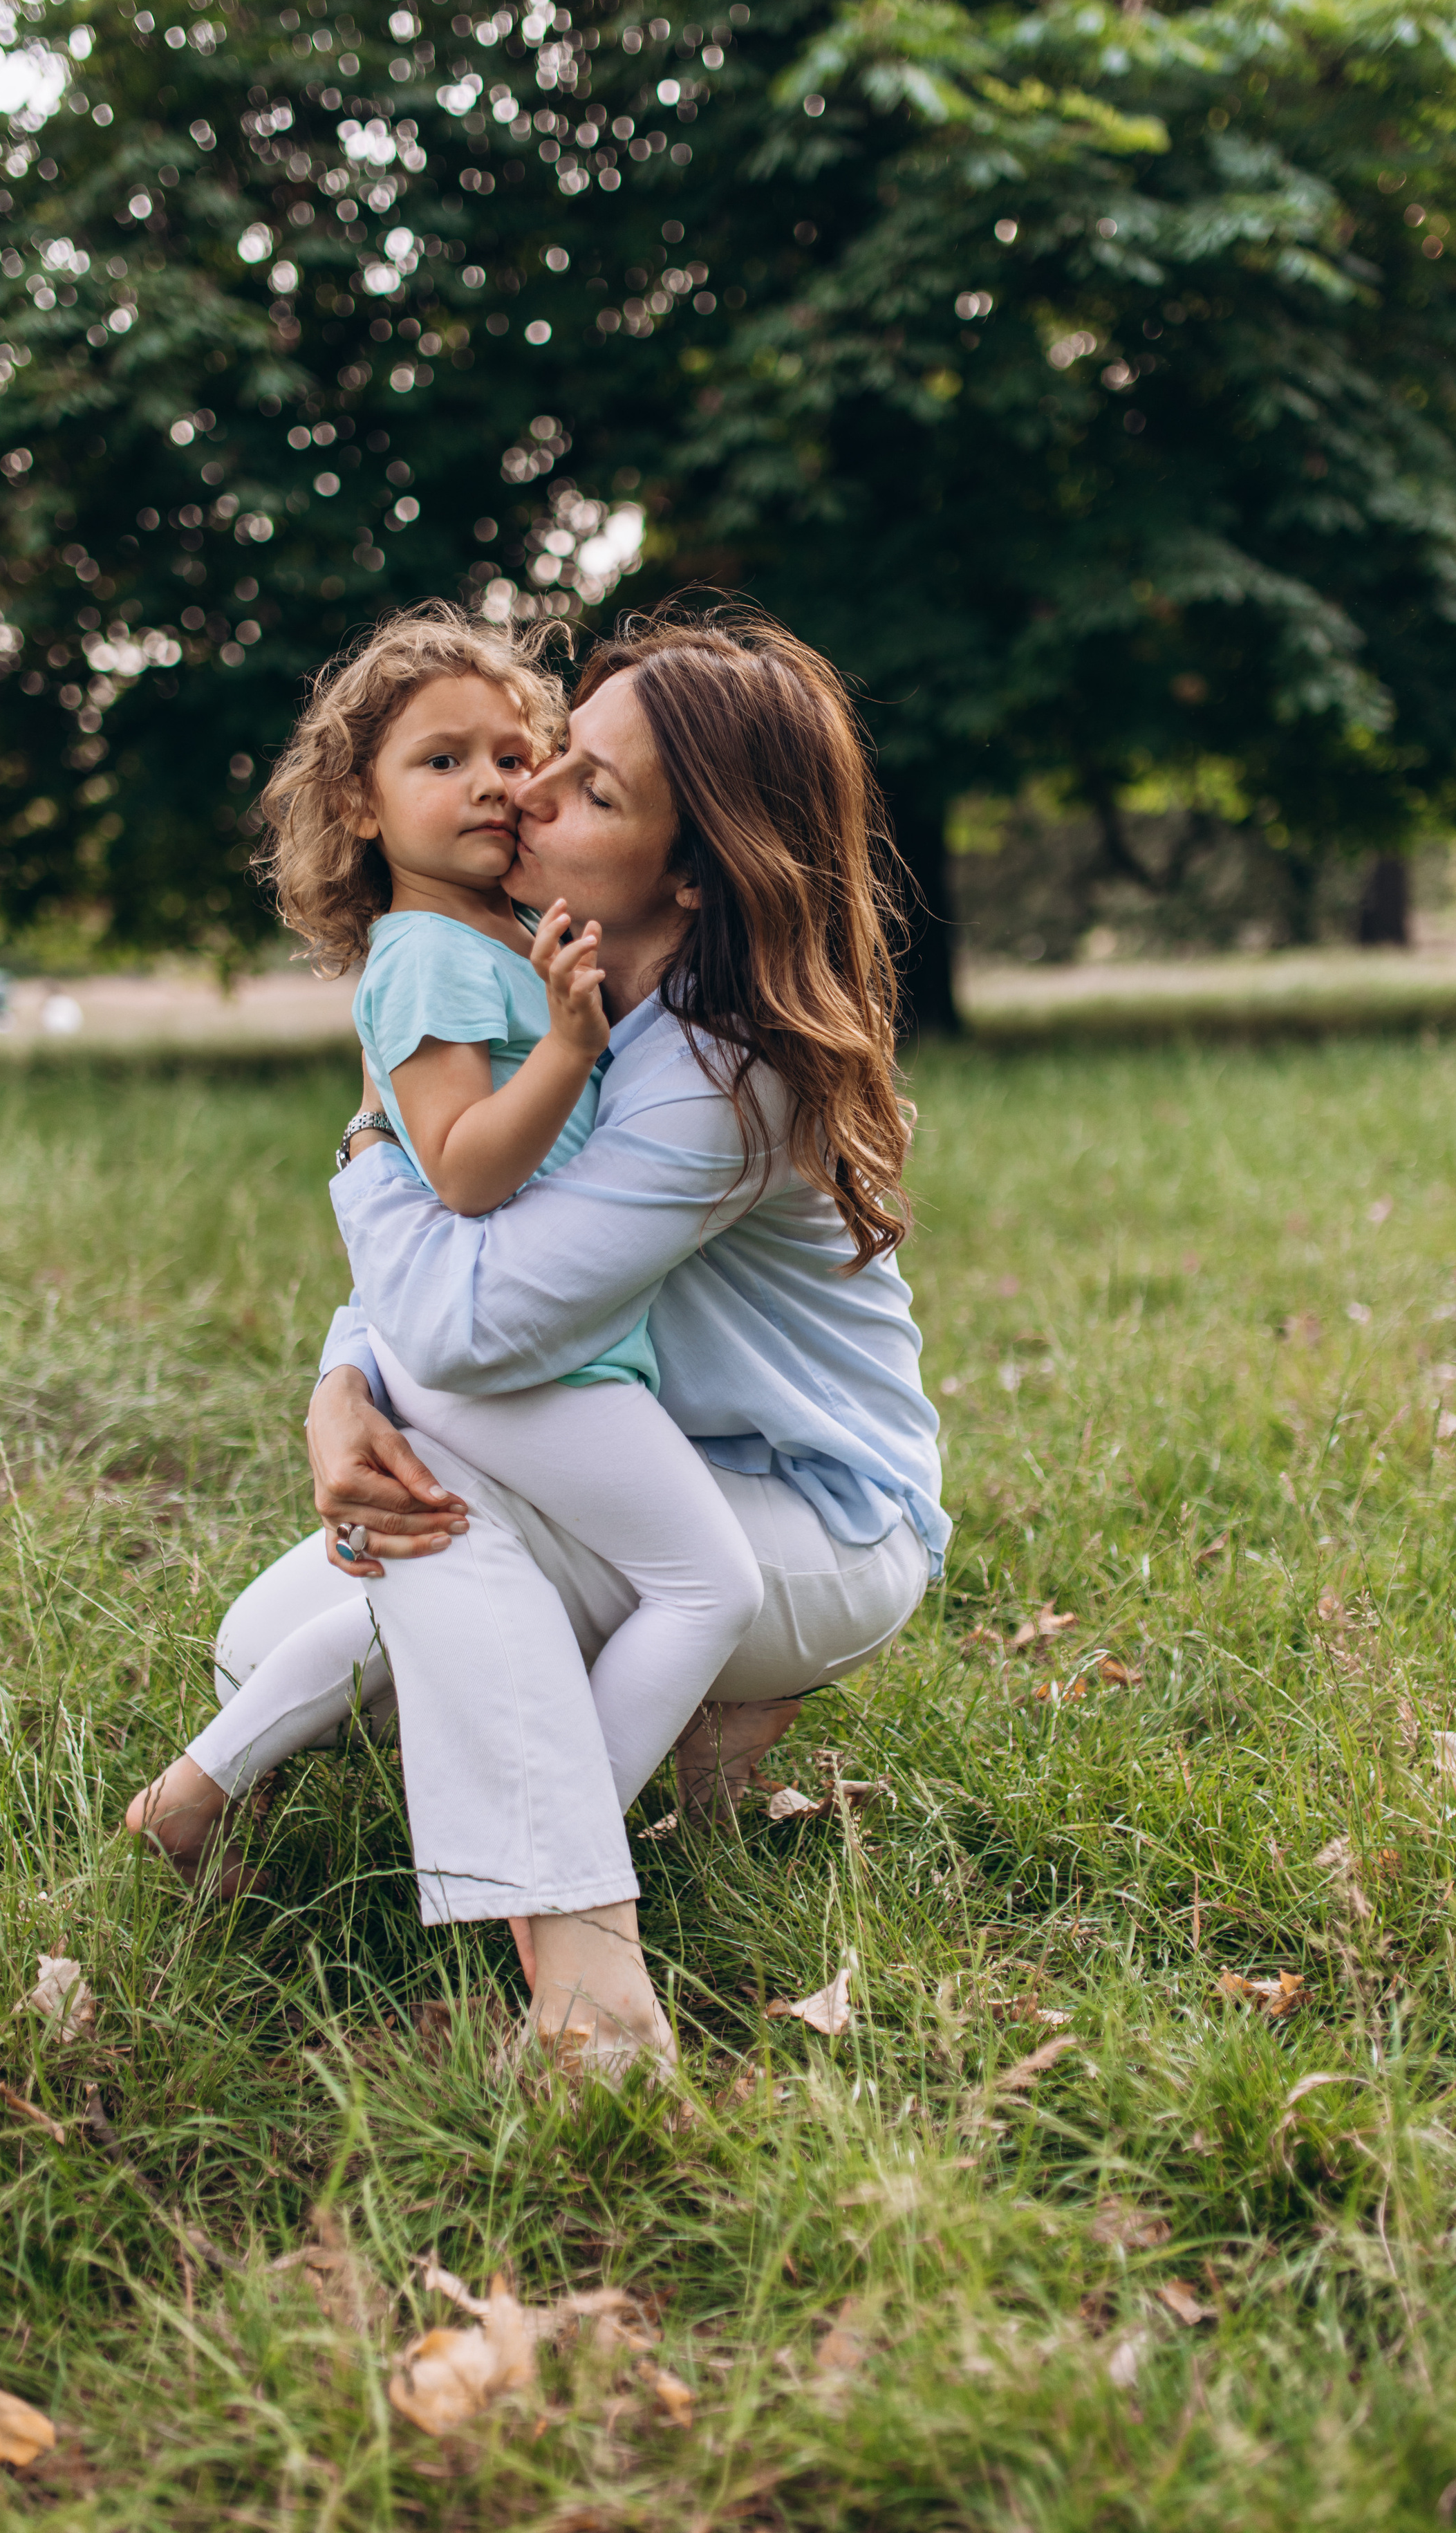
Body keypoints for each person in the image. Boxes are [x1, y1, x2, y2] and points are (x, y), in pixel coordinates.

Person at [140, 606, 949, 2074]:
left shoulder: (716, 1074)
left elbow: (466, 1328)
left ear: (693, 869)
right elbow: (474, 1249)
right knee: (270, 1635)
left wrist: (362, 1159)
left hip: (809, 1516)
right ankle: (652, 1744)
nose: (525, 792)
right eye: (550, 753)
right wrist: (339, 1384)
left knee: (446, 1518)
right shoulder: (552, 986)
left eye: (586, 786)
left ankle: (585, 1975)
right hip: (604, 1436)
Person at [127, 611, 765, 1874]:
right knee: (710, 1587)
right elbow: (464, 1170)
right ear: (360, 807)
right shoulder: (425, 957)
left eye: (513, 755)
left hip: (535, 1347)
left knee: (435, 1591)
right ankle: (555, 1853)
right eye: (441, 760)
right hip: (525, 1364)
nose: (491, 783)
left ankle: (195, 1793)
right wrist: (571, 1048)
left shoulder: (500, 940)